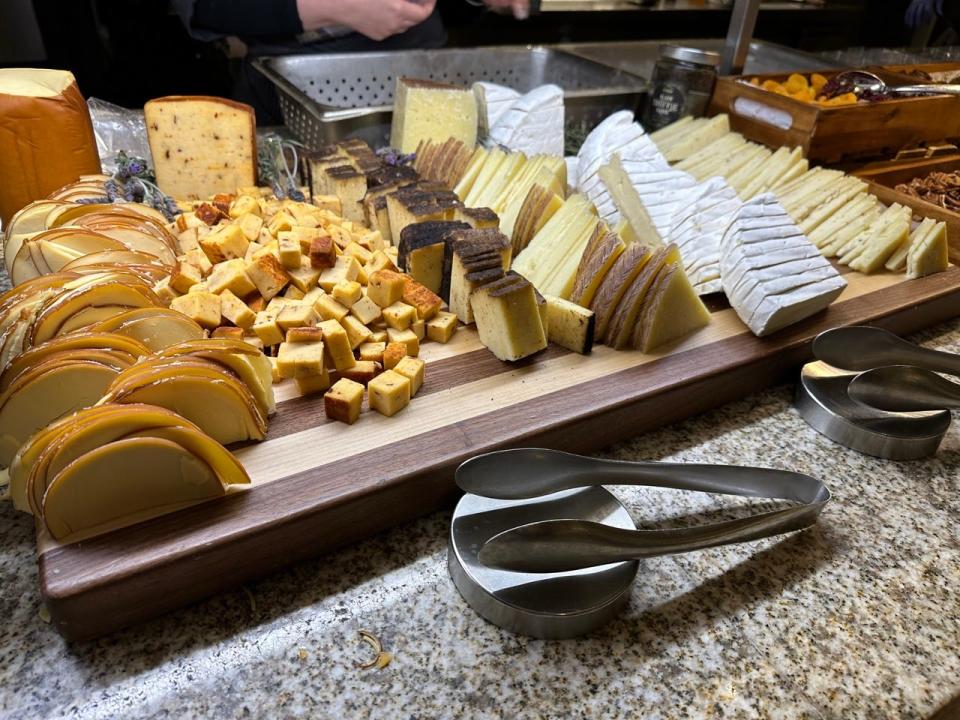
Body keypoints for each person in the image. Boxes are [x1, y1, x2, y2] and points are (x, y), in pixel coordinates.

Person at [172, 0, 531, 124]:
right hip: (292, 90)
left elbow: (450, 10)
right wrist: (341, 7)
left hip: (426, 74)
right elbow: (206, 9)